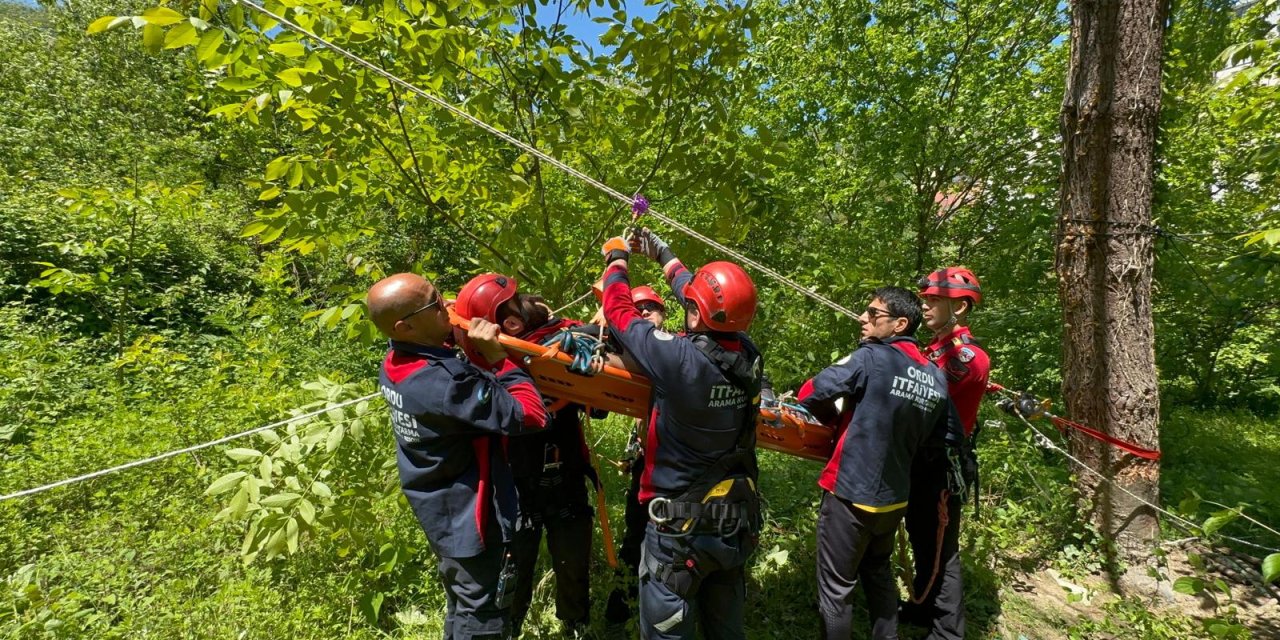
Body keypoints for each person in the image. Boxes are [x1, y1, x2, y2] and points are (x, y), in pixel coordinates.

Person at [599, 229, 764, 640]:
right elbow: (704, 302)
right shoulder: (749, 356)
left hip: (677, 534)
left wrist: (617, 260)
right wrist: (664, 255)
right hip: (731, 525)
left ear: (695, 313)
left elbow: (619, 312)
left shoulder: (677, 359)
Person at [368, 273, 549, 640]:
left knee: (462, 602)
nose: (447, 305)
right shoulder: (445, 384)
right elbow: (530, 415)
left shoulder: (396, 362)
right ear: (406, 325)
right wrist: (499, 360)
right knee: (483, 612)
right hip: (473, 518)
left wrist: (450, 331)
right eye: (435, 303)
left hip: (441, 508)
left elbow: (439, 358)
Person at [796, 286, 962, 640]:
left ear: (900, 324)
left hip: (850, 494)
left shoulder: (870, 357)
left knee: (836, 591)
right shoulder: (935, 376)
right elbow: (946, 437)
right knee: (878, 574)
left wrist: (832, 415)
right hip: (895, 497)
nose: (863, 318)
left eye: (873, 314)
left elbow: (811, 392)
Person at [469, 276, 596, 638]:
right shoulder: (489, 363)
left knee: (572, 559)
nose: (539, 303)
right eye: (522, 302)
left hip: (565, 474)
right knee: (515, 565)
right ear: (510, 325)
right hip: (519, 483)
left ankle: (575, 623)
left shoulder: (565, 348)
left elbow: (597, 401)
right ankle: (509, 627)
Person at [901, 267, 989, 640]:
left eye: (935, 300)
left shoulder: (967, 358)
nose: (926, 305)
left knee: (941, 550)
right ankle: (923, 607)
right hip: (922, 461)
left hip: (941, 466)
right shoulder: (934, 350)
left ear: (961, 308)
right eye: (926, 299)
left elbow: (925, 397)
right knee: (923, 537)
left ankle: (947, 632)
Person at [604, 284, 670, 631]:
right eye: (637, 307)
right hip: (648, 465)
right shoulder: (624, 346)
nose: (644, 311)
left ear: (664, 314)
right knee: (635, 538)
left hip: (683, 469)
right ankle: (621, 614)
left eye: (651, 307)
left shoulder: (686, 349)